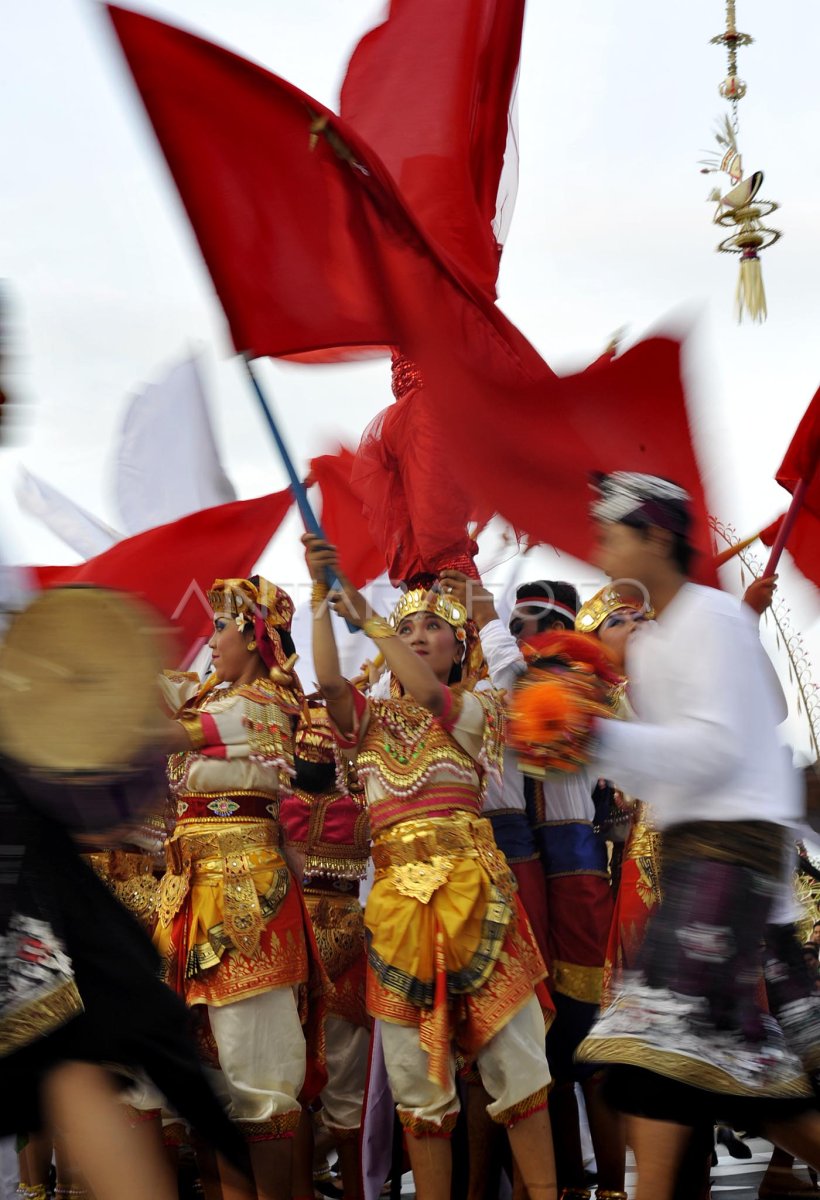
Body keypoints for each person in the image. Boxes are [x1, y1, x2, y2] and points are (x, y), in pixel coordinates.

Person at [574, 471, 820, 1200]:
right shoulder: (654, 646)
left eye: (611, 530)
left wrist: (593, 737)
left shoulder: (713, 621)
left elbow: (714, 751)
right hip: (693, 860)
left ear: (655, 536)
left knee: (652, 1055)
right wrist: (583, 743)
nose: (600, 545)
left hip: (732, 856)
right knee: (719, 1073)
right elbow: (662, 776)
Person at [303, 534, 556, 1200]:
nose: (418, 637)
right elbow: (329, 679)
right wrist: (320, 596)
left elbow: (427, 692)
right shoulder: (367, 722)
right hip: (397, 912)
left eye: (434, 628)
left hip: (480, 902)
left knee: (518, 1071)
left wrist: (373, 618)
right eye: (406, 625)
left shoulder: (476, 711)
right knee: (419, 1088)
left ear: (459, 647)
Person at [154, 576, 324, 1200]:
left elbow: (166, 730)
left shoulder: (258, 705)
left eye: (223, 626)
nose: (213, 639)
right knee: (212, 1072)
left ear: (255, 634)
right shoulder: (217, 698)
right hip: (191, 889)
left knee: (255, 1067)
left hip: (244, 891)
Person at [280, 698, 371, 1200]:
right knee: (301, 1088)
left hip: (313, 954)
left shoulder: (277, 801)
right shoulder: (358, 803)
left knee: (318, 1088)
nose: (312, 744)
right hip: (301, 952)